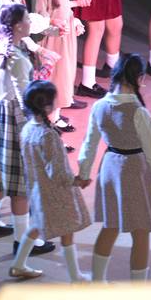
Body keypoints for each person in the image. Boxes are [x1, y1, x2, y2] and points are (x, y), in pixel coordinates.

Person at [77, 53, 151, 282]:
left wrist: (83, 174)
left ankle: (97, 281)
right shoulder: (139, 112)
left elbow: (89, 144)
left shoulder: (99, 106)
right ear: (140, 78)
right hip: (135, 171)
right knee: (141, 233)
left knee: (110, 226)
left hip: (110, 168)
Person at [0, 4, 55, 256]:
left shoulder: (4, 45)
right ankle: (23, 241)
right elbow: (26, 98)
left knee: (5, 172)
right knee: (20, 184)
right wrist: (41, 125)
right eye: (27, 20)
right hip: (14, 118)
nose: (30, 23)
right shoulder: (15, 56)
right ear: (17, 26)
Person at [12, 80, 92, 281]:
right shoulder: (48, 135)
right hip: (56, 193)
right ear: (47, 106)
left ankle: (19, 264)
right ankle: (76, 278)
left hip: (38, 190)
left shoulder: (27, 129)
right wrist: (77, 181)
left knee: (36, 226)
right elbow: (57, 171)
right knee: (67, 231)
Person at [31, 0, 87, 132]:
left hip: (65, 36)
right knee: (53, 78)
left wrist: (75, 20)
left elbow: (63, 6)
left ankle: (55, 116)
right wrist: (56, 28)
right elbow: (39, 20)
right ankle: (49, 120)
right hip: (51, 40)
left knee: (65, 75)